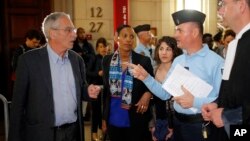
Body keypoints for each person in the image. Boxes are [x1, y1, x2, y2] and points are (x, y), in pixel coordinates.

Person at [126, 9, 224, 141]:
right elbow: (165, 94)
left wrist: (195, 102)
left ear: (194, 32)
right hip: (178, 125)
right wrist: (146, 77)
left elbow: (223, 100)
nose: (175, 35)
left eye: (179, 30)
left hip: (201, 126)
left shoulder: (216, 62)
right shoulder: (179, 60)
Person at [8, 12, 101, 141]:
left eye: (73, 30)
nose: (74, 34)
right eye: (68, 30)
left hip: (73, 133)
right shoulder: (28, 61)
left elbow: (81, 89)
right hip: (41, 134)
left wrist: (87, 91)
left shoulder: (77, 60)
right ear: (53, 33)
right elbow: (18, 106)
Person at [202, 0, 250, 140]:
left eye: (223, 4)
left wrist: (226, 115)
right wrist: (218, 104)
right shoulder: (235, 44)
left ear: (241, 5)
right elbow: (234, 89)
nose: (219, 11)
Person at [101, 24, 154, 141]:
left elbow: (152, 84)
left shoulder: (143, 61)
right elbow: (106, 92)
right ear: (116, 38)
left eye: (131, 37)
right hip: (113, 118)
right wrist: (104, 118)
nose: (128, 40)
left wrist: (147, 94)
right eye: (124, 36)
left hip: (136, 118)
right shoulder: (107, 60)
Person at [149, 36, 182, 141]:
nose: (164, 52)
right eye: (161, 49)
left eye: (168, 49)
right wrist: (152, 125)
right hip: (158, 120)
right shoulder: (154, 70)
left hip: (176, 121)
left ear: (174, 51)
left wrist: (172, 126)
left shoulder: (179, 71)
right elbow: (151, 102)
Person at [72, 27, 95, 121]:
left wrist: (84, 54)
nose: (82, 34)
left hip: (87, 71)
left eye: (83, 32)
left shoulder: (88, 45)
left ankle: (85, 115)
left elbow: (93, 57)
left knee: (86, 91)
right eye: (80, 33)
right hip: (76, 70)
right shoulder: (73, 44)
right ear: (77, 34)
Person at [87, 37, 108, 141]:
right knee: (96, 112)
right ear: (97, 48)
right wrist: (98, 73)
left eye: (105, 46)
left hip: (106, 89)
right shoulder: (94, 58)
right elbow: (87, 72)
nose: (103, 48)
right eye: (101, 46)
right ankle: (94, 133)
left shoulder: (109, 58)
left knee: (104, 111)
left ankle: (102, 132)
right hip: (95, 88)